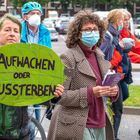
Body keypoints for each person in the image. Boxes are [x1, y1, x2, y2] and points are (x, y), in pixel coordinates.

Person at [47, 10, 119, 140]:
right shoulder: (68, 58)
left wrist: (113, 91)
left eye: (94, 29)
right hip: (77, 124)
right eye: (87, 30)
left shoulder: (100, 56)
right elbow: (60, 96)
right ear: (78, 34)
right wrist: (90, 93)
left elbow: (107, 86)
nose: (92, 32)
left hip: (100, 122)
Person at [0, 13, 64, 140]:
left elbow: (34, 92)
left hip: (22, 133)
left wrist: (53, 94)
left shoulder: (27, 64)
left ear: (19, 36)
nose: (12, 33)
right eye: (7, 30)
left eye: (16, 31)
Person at [100, 9, 134, 140]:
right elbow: (102, 59)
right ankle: (111, 135)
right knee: (115, 107)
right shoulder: (108, 36)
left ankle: (111, 134)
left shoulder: (114, 34)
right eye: (122, 20)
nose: (124, 22)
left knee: (117, 103)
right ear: (116, 21)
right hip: (109, 76)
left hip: (114, 75)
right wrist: (115, 60)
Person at [21, 2, 52, 138]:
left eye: (38, 13)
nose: (36, 16)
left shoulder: (45, 32)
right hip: (22, 77)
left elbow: (49, 54)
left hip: (39, 77)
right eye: (32, 13)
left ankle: (34, 132)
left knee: (38, 109)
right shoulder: (19, 30)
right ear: (25, 16)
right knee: (26, 110)